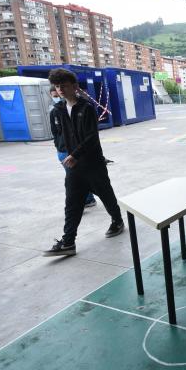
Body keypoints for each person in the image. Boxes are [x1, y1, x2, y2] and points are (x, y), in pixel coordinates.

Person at [43, 68, 124, 257]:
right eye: (57, 86)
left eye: (64, 85)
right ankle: (68, 242)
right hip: (73, 166)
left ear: (74, 86)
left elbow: (91, 137)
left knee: (106, 195)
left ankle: (117, 221)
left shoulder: (86, 108)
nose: (60, 89)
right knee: (72, 203)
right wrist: (63, 151)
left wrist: (75, 154)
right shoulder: (58, 110)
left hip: (93, 163)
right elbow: (57, 135)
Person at [49, 86, 96, 208]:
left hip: (75, 150)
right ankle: (85, 199)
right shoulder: (55, 111)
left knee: (75, 178)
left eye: (58, 95)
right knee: (74, 177)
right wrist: (58, 145)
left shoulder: (83, 108)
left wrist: (76, 152)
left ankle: (85, 199)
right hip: (62, 151)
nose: (58, 97)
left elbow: (90, 135)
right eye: (54, 96)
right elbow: (55, 132)